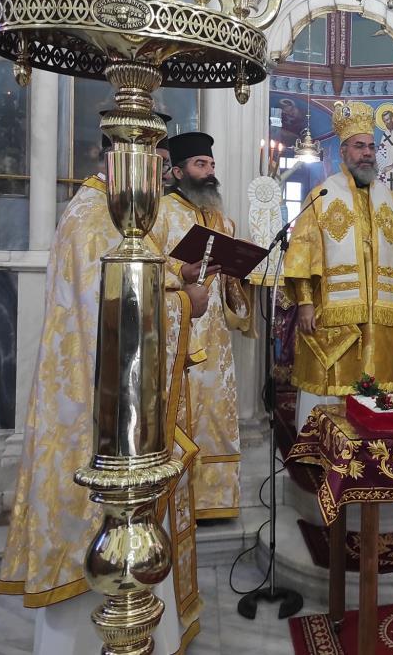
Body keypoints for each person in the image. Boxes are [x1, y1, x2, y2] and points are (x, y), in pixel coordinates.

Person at [0, 140, 210, 654]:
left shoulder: (102, 215)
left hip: (109, 405)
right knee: (99, 527)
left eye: (160, 167)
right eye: (153, 166)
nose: (159, 177)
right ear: (123, 167)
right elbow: (117, 317)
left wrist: (176, 279)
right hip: (97, 417)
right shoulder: (97, 220)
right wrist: (187, 299)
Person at [284, 100, 393, 432]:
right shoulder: (321, 196)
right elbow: (303, 250)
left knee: (377, 388)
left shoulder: (391, 201)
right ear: (344, 151)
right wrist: (305, 302)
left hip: (381, 315)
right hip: (337, 314)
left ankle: (375, 448)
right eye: (359, 146)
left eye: (371, 147)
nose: (367, 153)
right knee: (334, 382)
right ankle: (321, 447)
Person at [150, 131, 253, 520]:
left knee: (215, 411)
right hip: (177, 329)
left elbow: (231, 284)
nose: (210, 172)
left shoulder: (221, 219)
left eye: (211, 165)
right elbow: (149, 266)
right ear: (177, 171)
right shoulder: (160, 213)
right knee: (180, 409)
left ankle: (213, 502)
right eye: (200, 165)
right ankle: (175, 499)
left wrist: (240, 271)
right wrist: (181, 271)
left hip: (215, 336)